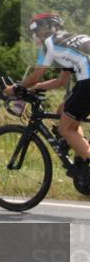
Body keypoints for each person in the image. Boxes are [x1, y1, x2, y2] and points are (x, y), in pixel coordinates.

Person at [9, 13, 90, 183]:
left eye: (35, 31)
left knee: (65, 129)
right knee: (63, 109)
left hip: (88, 83)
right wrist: (35, 87)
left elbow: (36, 75)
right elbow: (62, 80)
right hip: (85, 82)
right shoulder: (71, 39)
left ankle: (83, 155)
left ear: (45, 28)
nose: (35, 35)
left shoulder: (49, 44)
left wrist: (16, 88)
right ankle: (82, 160)